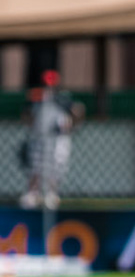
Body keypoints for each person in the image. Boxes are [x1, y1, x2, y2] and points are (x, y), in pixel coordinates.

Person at [21, 70, 81, 210]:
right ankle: (33, 193)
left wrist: (71, 126)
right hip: (40, 136)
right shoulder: (36, 98)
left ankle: (52, 194)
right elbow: (26, 114)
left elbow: (77, 111)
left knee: (56, 167)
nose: (49, 88)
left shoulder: (63, 99)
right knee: (36, 165)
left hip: (58, 138)